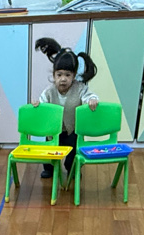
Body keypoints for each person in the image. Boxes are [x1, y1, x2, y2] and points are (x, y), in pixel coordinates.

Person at [33, 37, 99, 180]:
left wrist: (92, 100)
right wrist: (38, 105)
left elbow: (89, 96)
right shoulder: (49, 91)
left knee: (73, 152)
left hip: (72, 130)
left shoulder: (79, 88)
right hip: (53, 130)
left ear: (74, 76)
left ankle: (72, 168)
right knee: (49, 150)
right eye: (59, 75)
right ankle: (49, 169)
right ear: (54, 75)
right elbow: (42, 103)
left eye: (67, 75)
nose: (63, 79)